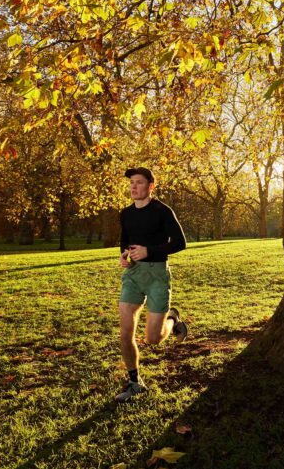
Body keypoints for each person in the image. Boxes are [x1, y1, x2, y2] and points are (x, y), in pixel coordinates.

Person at [115, 167, 188, 402]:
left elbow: (180, 243)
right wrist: (124, 255)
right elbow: (125, 241)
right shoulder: (126, 214)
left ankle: (172, 319)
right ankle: (134, 382)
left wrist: (150, 251)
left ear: (150, 186)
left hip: (157, 274)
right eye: (131, 183)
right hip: (133, 275)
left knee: (152, 339)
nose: (134, 187)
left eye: (139, 182)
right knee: (125, 332)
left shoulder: (162, 211)